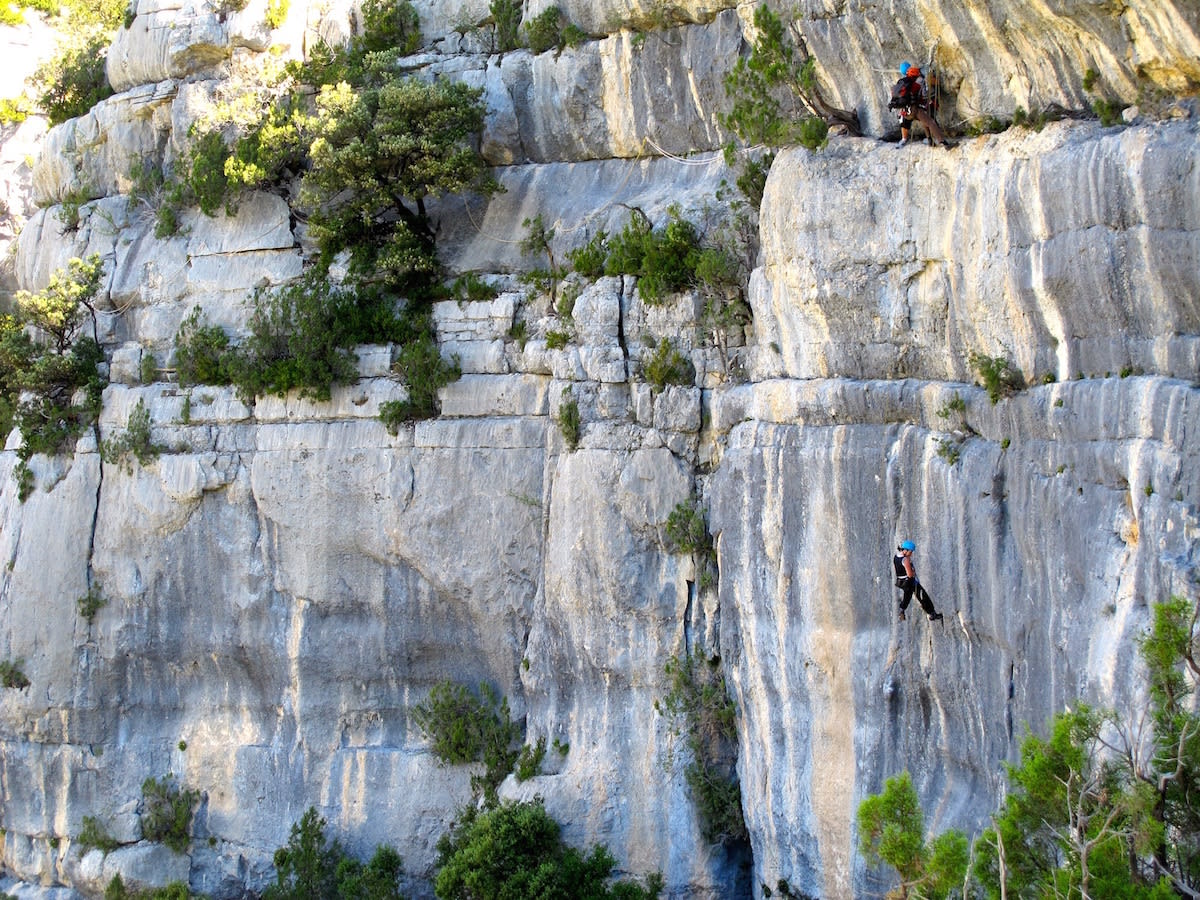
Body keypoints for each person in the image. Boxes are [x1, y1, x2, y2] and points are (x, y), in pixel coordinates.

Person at [888, 62, 952, 148]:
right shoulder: (917, 82)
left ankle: (926, 140)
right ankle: (943, 142)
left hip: (906, 113)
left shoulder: (903, 83)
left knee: (924, 120)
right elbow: (925, 94)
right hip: (915, 109)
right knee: (930, 122)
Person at [893, 540, 943, 623]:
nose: (911, 554)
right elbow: (910, 574)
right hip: (910, 581)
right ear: (905, 550)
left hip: (901, 581)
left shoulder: (896, 557)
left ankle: (901, 610)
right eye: (911, 552)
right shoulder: (905, 560)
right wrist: (912, 572)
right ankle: (932, 614)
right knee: (923, 596)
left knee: (907, 596)